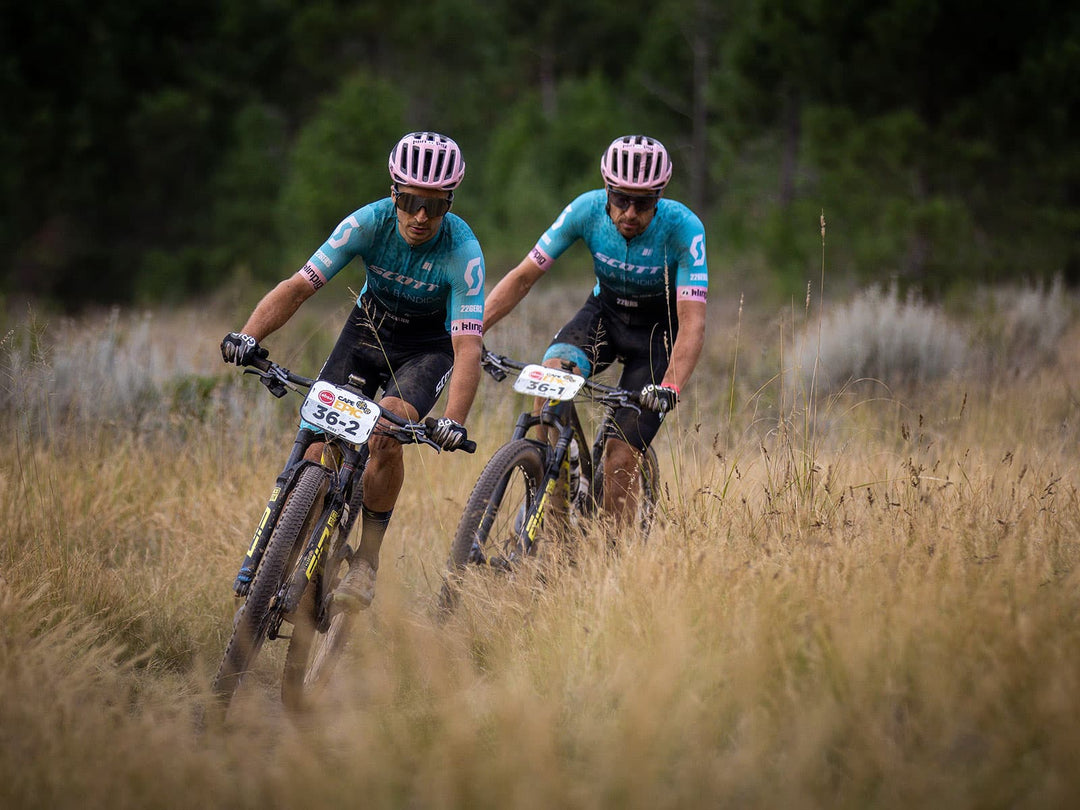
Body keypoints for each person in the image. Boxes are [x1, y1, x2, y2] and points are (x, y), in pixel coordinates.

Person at [220, 131, 485, 611]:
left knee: (385, 429)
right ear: (393, 194)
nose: (420, 216)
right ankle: (294, 549)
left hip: (426, 349)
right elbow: (300, 285)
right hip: (368, 330)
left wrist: (453, 419)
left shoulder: (463, 251)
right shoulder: (367, 223)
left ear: (450, 202)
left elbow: (467, 347)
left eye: (435, 205)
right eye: (409, 201)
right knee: (318, 440)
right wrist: (248, 335)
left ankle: (366, 560)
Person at [483, 134, 707, 528]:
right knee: (548, 380)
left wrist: (670, 386)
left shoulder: (684, 228)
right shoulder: (585, 210)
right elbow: (522, 278)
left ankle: (608, 561)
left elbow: (692, 321)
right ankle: (554, 512)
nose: (631, 212)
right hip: (604, 315)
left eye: (645, 202)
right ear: (606, 190)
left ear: (661, 196)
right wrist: (470, 331)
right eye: (621, 199)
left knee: (620, 456)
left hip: (656, 336)